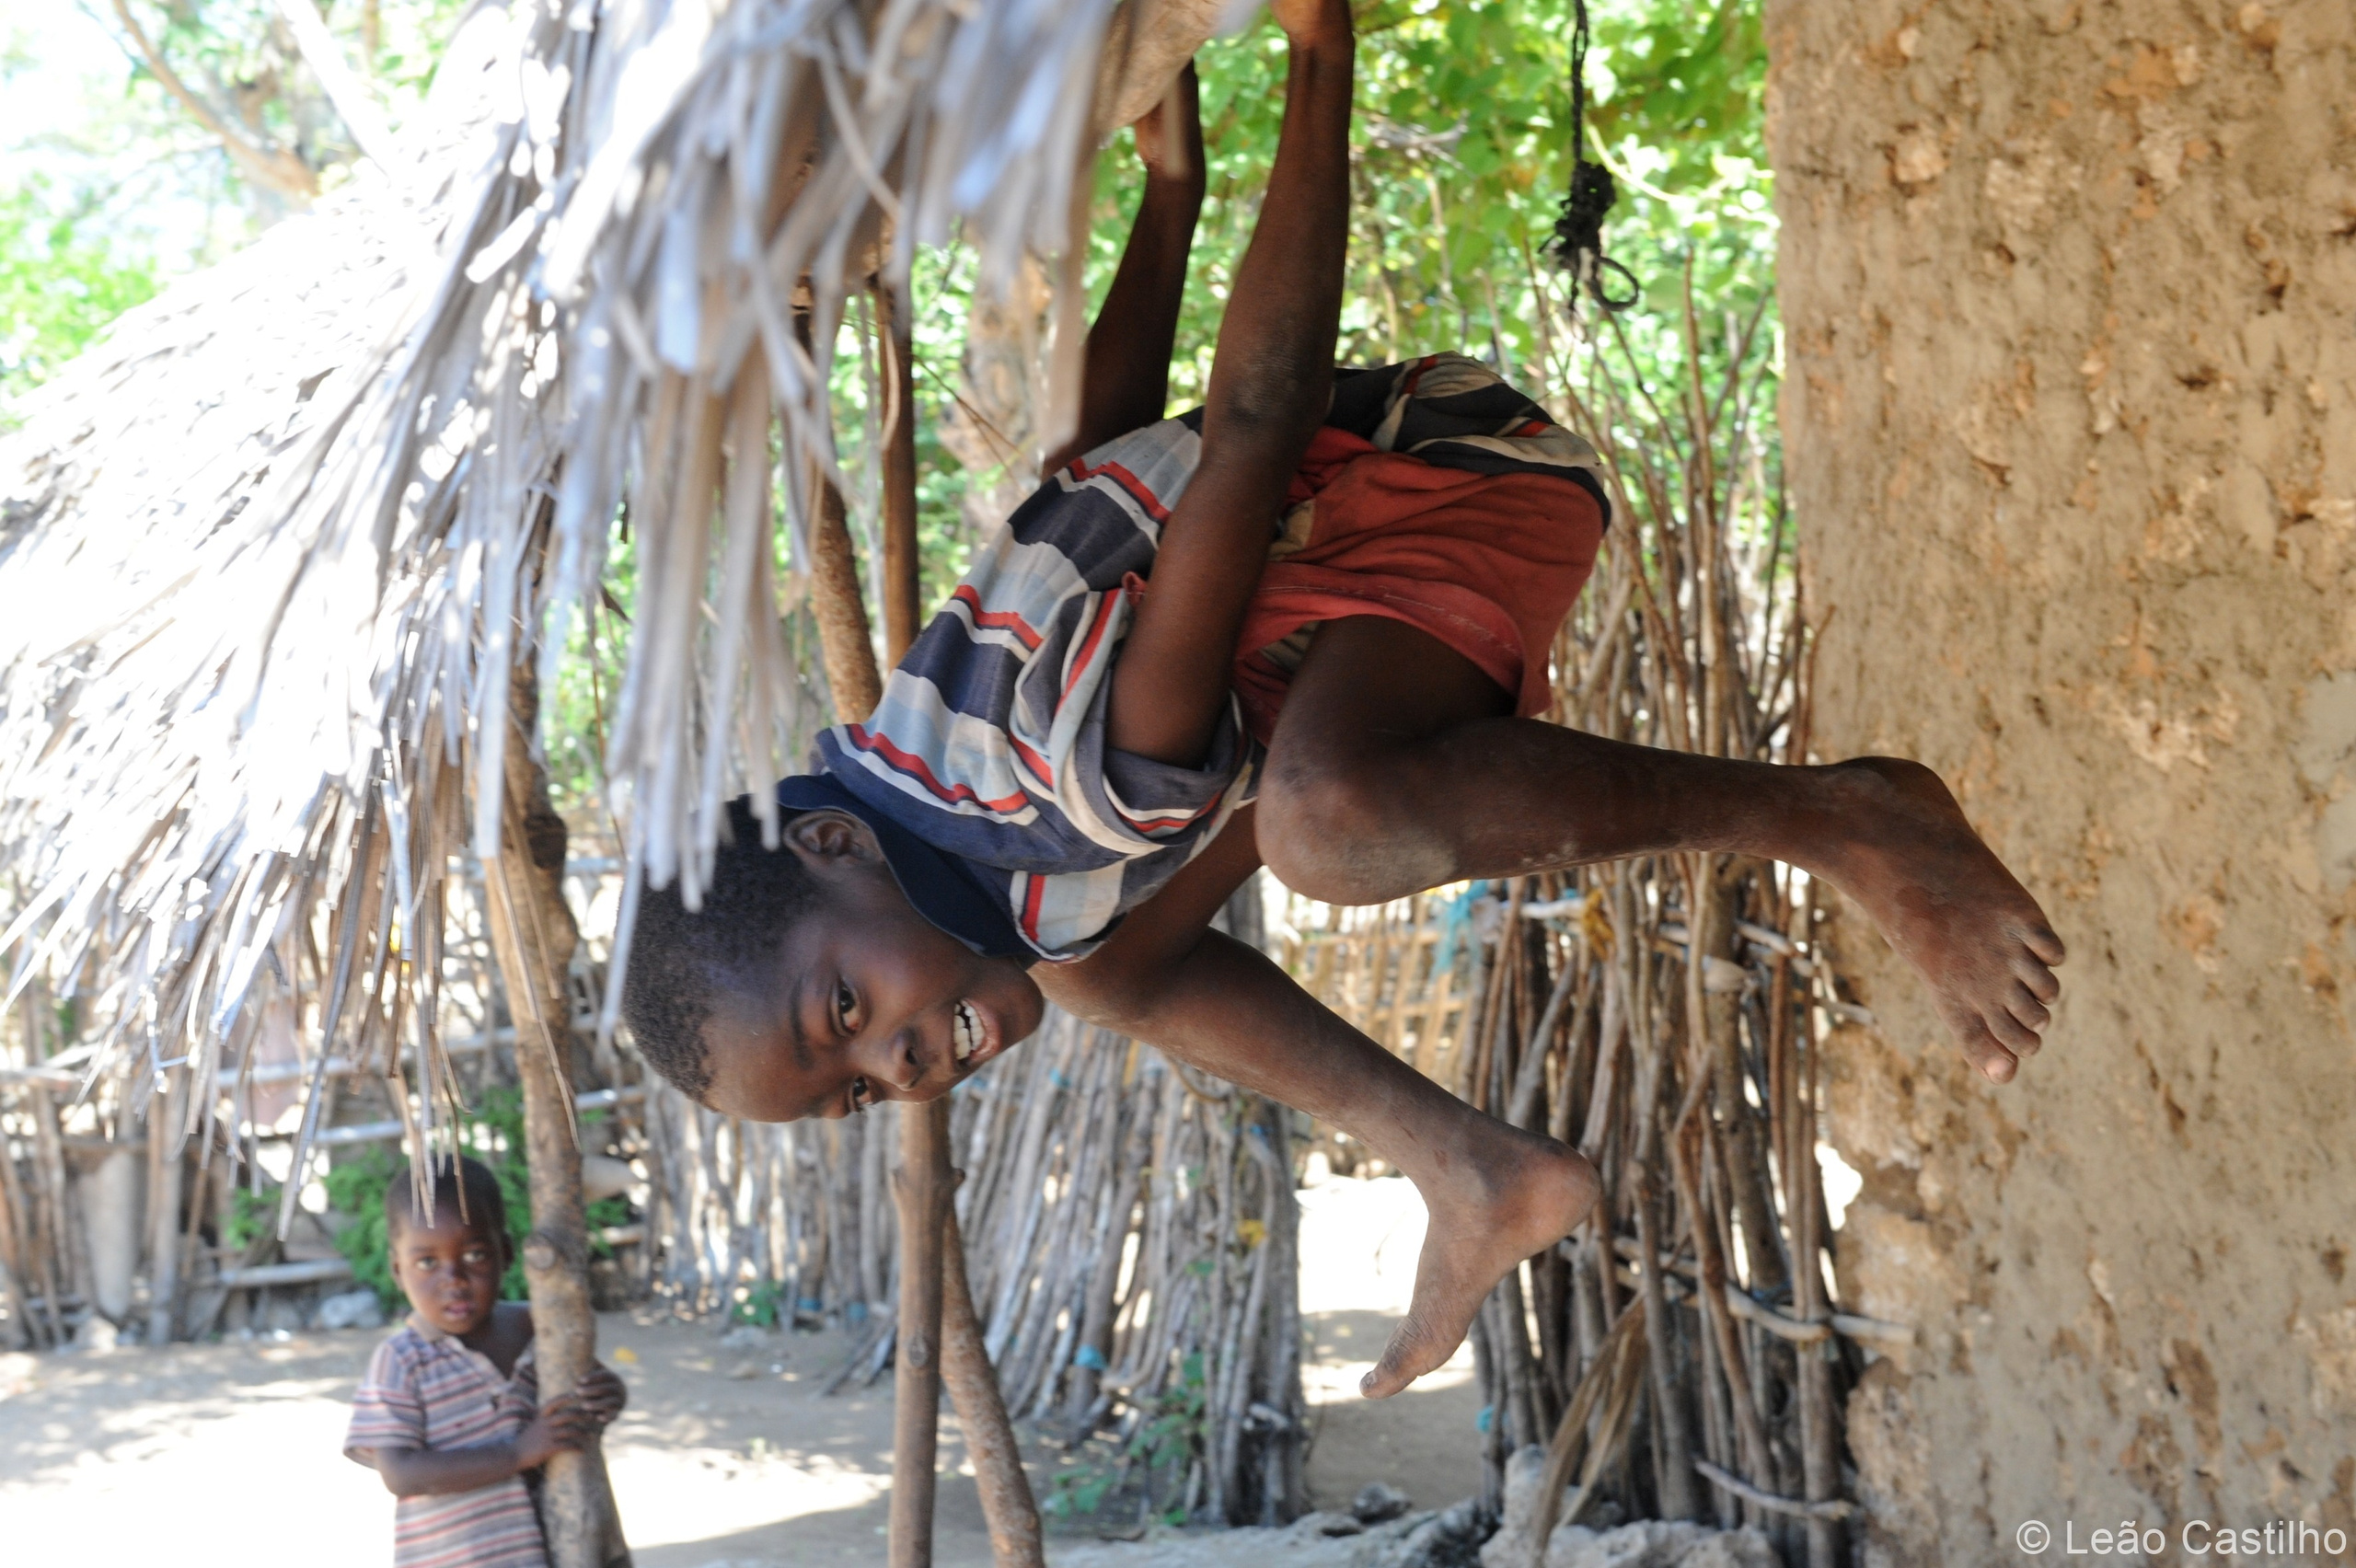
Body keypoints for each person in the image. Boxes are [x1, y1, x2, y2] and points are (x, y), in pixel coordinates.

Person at [622, 0, 2064, 1401]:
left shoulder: (1062, 780)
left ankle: (1839, 816)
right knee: (1105, 972)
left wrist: (1324, 50)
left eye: (847, 1011)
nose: (905, 1065)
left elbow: (1251, 422)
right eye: (864, 1090)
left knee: (1325, 821)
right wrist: (1170, 196)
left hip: (1446, 467)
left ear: (829, 850)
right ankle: (1470, 1163)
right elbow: (1081, 476)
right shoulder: (927, 787)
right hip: (1309, 593)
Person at [344, 1155, 626, 1568]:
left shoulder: (539, 1328)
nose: (453, 1279)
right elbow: (400, 1473)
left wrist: (607, 1395)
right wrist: (517, 1454)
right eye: (427, 1262)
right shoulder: (401, 1361)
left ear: (506, 1253)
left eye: (475, 1255)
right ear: (397, 1270)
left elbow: (581, 1401)